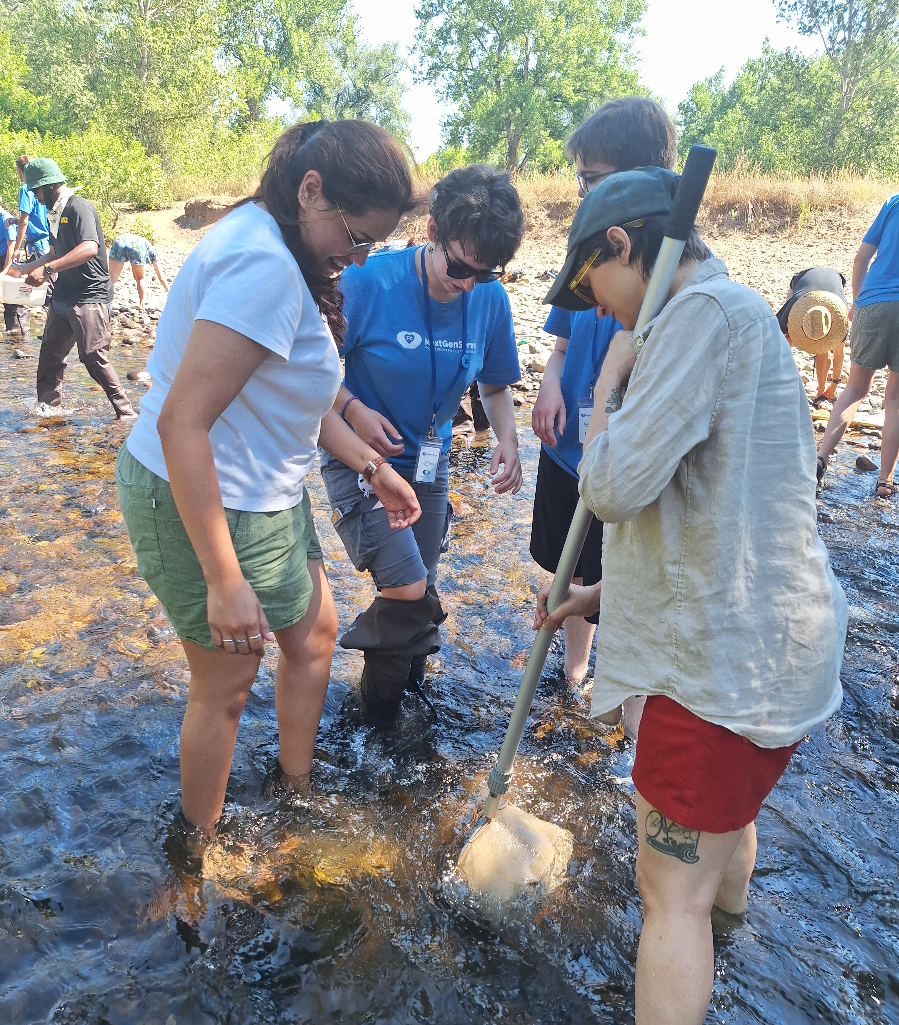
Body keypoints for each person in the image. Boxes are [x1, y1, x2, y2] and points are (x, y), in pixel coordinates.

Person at [535, 167, 846, 1025]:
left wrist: (606, 386)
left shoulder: (693, 319)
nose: (596, 310)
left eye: (591, 284)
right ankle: (732, 950)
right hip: (775, 653)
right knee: (724, 836)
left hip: (717, 676)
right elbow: (717, 508)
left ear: (621, 246)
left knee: (666, 895)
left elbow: (614, 487)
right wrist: (596, 596)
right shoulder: (739, 315)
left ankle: (698, 956)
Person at [116, 119, 421, 841]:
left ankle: (294, 787)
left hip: (267, 491)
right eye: (352, 237)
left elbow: (295, 395)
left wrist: (371, 466)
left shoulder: (278, 236)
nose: (355, 257)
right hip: (204, 491)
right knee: (226, 682)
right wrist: (225, 580)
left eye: (371, 245)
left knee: (314, 634)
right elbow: (181, 423)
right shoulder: (262, 265)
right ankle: (195, 850)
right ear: (310, 190)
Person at [322, 164, 525, 719]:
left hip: (430, 465)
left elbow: (495, 384)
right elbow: (304, 374)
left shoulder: (489, 300)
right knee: (409, 586)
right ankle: (377, 714)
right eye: (459, 267)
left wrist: (507, 439)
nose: (467, 284)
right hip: (359, 456)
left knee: (420, 584)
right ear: (433, 231)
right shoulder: (367, 282)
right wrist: (353, 408)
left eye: (484, 274)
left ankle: (405, 698)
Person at [530, 97, 677, 696]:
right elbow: (562, 342)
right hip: (571, 447)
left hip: (617, 458)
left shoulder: (664, 282)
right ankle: (571, 671)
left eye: (589, 177)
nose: (580, 189)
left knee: (614, 563)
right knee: (564, 559)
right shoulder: (594, 260)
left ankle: (613, 681)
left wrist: (607, 381)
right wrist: (548, 387)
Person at [9, 158, 135, 419]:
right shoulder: (55, 212)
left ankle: (126, 413)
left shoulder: (78, 208)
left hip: (90, 295)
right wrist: (23, 269)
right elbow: (54, 252)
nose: (35, 196)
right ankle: (48, 411)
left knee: (92, 355)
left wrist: (48, 270)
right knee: (49, 358)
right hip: (64, 294)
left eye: (36, 191)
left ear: (49, 186)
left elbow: (90, 248)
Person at [817, 192, 899, 497]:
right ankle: (885, 482)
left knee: (855, 389)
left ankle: (820, 460)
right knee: (895, 399)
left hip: (874, 301)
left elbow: (861, 257)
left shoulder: (894, 203)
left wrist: (858, 299)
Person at [775, 267, 849, 411]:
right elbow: (774, 340)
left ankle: (821, 393)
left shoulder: (840, 318)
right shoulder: (792, 309)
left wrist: (834, 383)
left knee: (822, 338)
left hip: (834, 287)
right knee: (786, 341)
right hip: (802, 282)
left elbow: (839, 354)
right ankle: (780, 386)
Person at [108, 232, 169, 308]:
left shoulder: (145, 242)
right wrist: (170, 291)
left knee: (111, 277)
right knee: (141, 279)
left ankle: (102, 301)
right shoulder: (154, 253)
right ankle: (142, 306)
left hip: (119, 241)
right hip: (136, 247)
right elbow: (161, 278)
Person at [11, 154, 50, 265]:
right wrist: (15, 221)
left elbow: (24, 221)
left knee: (44, 279)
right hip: (48, 241)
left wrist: (16, 248)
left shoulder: (26, 189)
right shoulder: (42, 187)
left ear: (20, 171)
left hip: (38, 245)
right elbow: (37, 217)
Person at [1, 203, 31, 337]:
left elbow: (11, 246)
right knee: (7, 298)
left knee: (16, 298)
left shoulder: (5, 219)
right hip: (2, 258)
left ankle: (22, 334)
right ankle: (11, 332)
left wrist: (6, 269)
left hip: (8, 260)